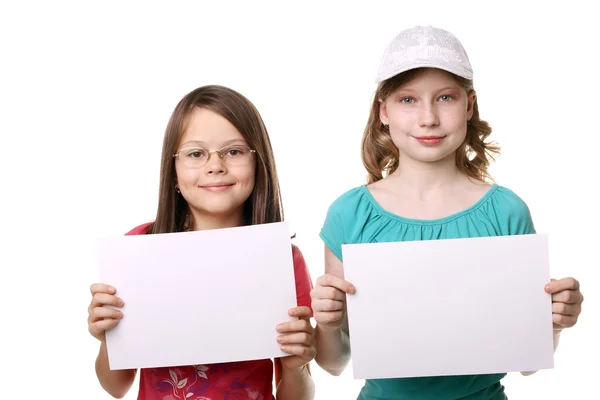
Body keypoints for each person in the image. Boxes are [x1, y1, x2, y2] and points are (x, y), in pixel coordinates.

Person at [310, 25, 584, 399]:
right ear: (383, 112)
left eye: (445, 98)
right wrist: (327, 322)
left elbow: (528, 361)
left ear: (469, 105)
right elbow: (334, 362)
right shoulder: (349, 214)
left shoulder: (506, 212)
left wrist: (553, 323)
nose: (428, 118)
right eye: (408, 100)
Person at [87, 85, 316, 400]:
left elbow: (297, 396)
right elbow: (116, 386)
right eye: (196, 153)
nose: (215, 165)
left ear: (257, 162)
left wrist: (295, 367)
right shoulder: (139, 247)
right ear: (174, 169)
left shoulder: (281, 259)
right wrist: (107, 339)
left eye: (233, 151)